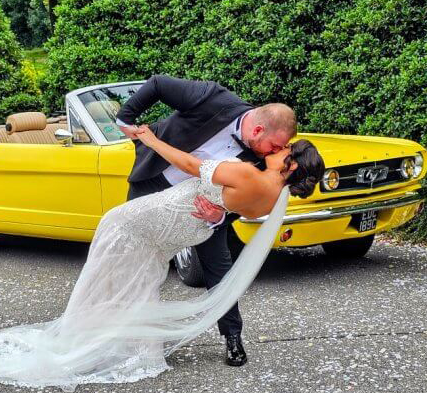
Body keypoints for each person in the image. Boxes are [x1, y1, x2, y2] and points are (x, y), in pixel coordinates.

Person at [0, 122, 324, 391]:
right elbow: (223, 208)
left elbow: (193, 167)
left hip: (152, 216)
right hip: (188, 227)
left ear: (290, 164)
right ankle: (132, 343)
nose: (279, 149)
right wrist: (213, 210)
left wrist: (153, 139)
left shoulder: (249, 172)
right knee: (143, 273)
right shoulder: (272, 200)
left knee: (112, 251)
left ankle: (79, 337)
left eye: (286, 150)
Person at [117, 74, 298, 366]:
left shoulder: (262, 156)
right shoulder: (214, 99)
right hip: (152, 183)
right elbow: (159, 84)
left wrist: (221, 214)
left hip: (204, 207)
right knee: (137, 260)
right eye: (274, 146)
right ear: (259, 129)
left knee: (219, 269)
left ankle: (233, 338)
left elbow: (251, 196)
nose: (276, 154)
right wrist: (126, 119)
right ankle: (140, 337)